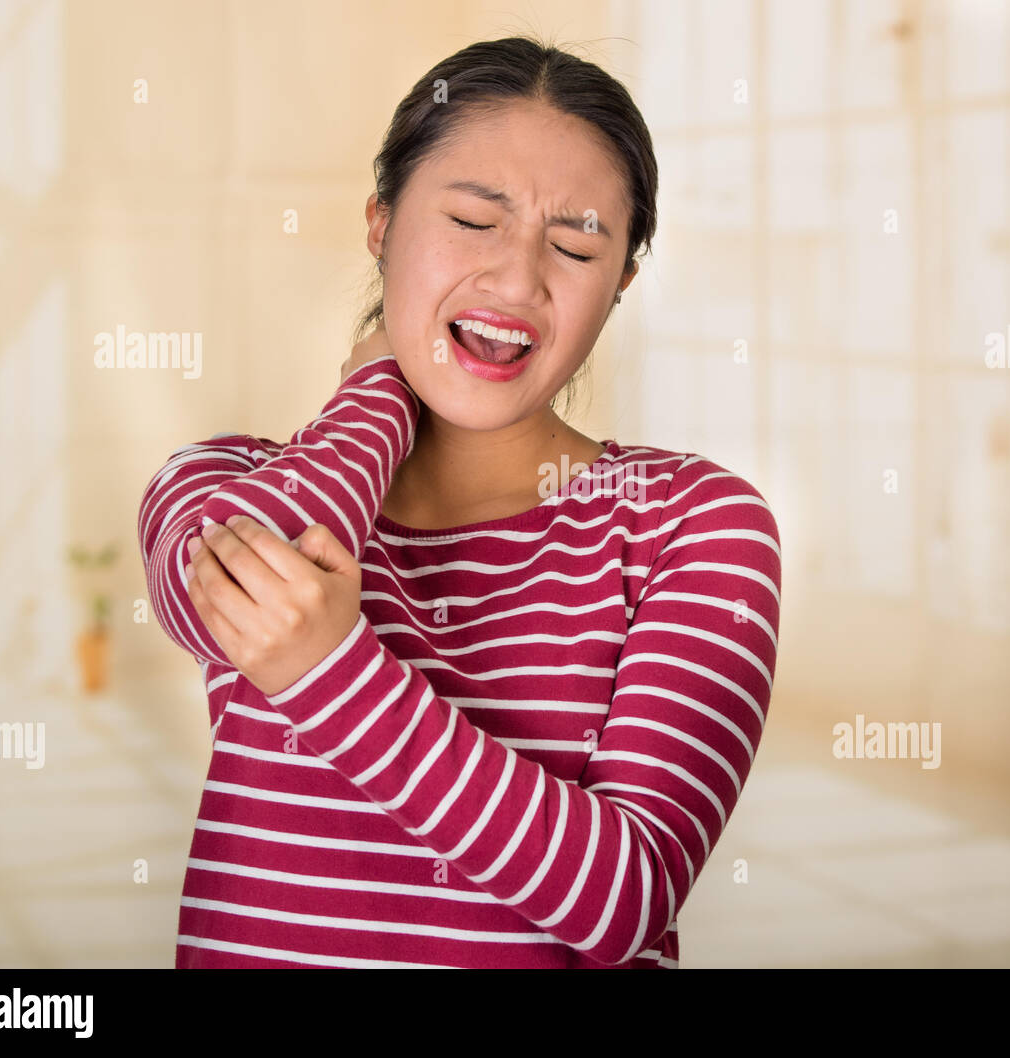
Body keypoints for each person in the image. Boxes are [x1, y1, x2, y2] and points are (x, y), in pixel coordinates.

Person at [137, 35, 781, 968]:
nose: (518, 281)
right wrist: (376, 394)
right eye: (475, 221)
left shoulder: (692, 523)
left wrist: (330, 668)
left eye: (575, 246)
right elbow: (227, 586)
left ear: (621, 284)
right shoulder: (232, 482)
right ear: (381, 223)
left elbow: (623, 900)